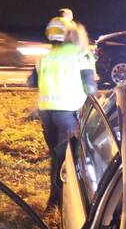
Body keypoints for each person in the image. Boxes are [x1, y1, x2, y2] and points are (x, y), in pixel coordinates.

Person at [27, 22, 97, 209]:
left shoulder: (45, 57)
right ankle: (58, 202)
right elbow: (90, 87)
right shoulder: (81, 56)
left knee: (56, 156)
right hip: (68, 113)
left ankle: (56, 199)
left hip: (46, 113)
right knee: (66, 159)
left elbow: (31, 83)